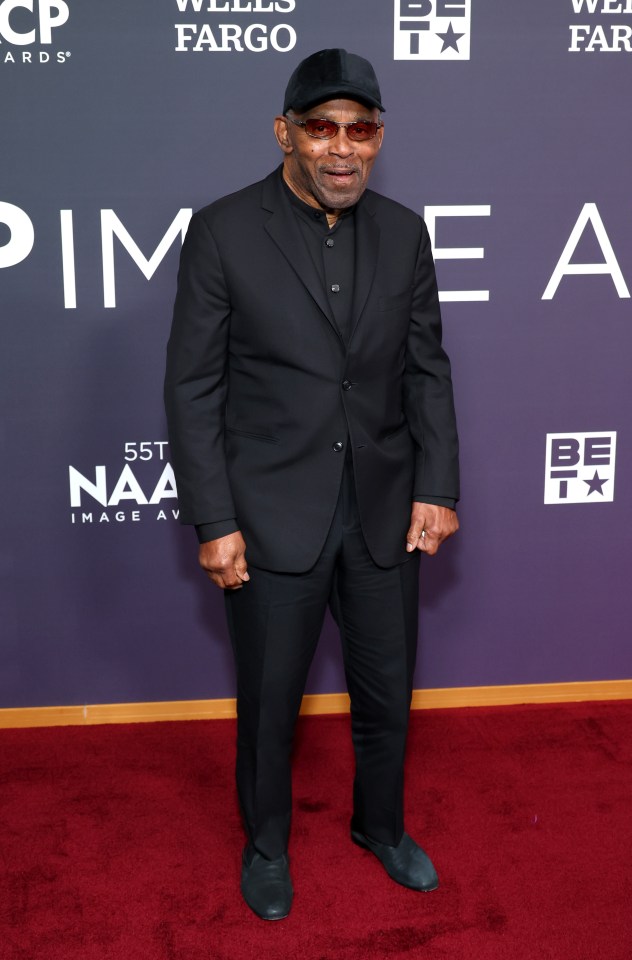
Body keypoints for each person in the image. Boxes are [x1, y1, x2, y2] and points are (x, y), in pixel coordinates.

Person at [164, 48, 460, 921]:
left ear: (379, 138)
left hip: (381, 513)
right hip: (267, 517)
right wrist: (213, 518)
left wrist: (437, 486)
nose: (342, 149)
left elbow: (426, 373)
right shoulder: (222, 230)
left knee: (387, 696)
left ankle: (382, 828)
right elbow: (193, 387)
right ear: (285, 132)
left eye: (360, 130)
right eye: (322, 128)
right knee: (269, 706)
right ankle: (265, 845)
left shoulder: (406, 232)